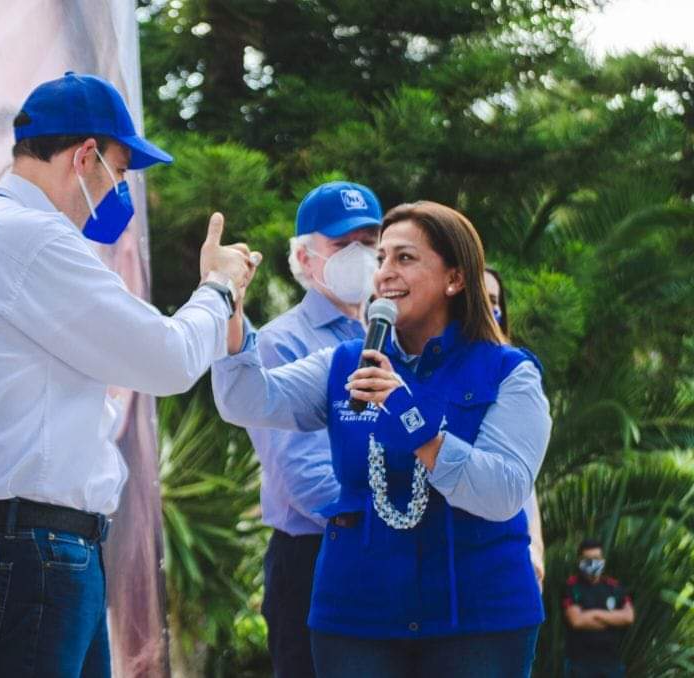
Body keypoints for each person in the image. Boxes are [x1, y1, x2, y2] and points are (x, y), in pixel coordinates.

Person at [0, 71, 258, 677]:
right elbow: (167, 358)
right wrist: (217, 289)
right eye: (120, 169)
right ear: (86, 155)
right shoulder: (33, 240)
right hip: (38, 550)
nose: (122, 190)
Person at [213, 201, 551, 677]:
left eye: (405, 258)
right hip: (358, 616)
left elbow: (505, 493)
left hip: (480, 619)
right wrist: (229, 301)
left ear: (455, 278)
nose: (384, 272)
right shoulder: (346, 363)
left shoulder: (510, 373)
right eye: (383, 258)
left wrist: (415, 426)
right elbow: (247, 400)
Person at [246, 181, 381, 677]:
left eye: (370, 242)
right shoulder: (280, 343)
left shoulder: (396, 335)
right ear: (304, 259)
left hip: (384, 547)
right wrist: (389, 524)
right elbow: (303, 474)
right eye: (343, 245)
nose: (361, 256)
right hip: (314, 556)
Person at [484, 266, 547, 588]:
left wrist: (535, 548)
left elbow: (524, 480)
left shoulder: (516, 374)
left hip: (512, 551)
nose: (487, 309)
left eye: (493, 301)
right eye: (478, 298)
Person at [562, 538, 634, 678]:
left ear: (603, 560)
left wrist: (594, 614)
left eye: (596, 558)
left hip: (611, 663)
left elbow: (628, 617)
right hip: (580, 664)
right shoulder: (572, 586)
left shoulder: (614, 586)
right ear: (579, 561)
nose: (592, 563)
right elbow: (577, 621)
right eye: (587, 559)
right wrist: (612, 620)